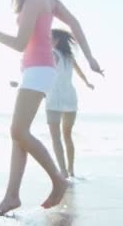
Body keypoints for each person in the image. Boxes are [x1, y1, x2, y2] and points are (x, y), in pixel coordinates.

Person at [0, 0, 103, 216]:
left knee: (17, 130)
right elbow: (75, 23)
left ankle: (57, 179)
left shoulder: (33, 0)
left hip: (38, 69)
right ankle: (12, 195)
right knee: (19, 135)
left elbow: (18, 42)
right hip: (37, 70)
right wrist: (89, 56)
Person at [46, 29, 94, 178]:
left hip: (54, 98)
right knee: (67, 135)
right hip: (70, 99)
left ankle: (63, 171)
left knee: (56, 136)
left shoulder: (53, 54)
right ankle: (71, 170)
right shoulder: (69, 57)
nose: (47, 39)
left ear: (56, 41)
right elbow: (80, 73)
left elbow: (45, 73)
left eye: (49, 37)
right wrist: (87, 83)